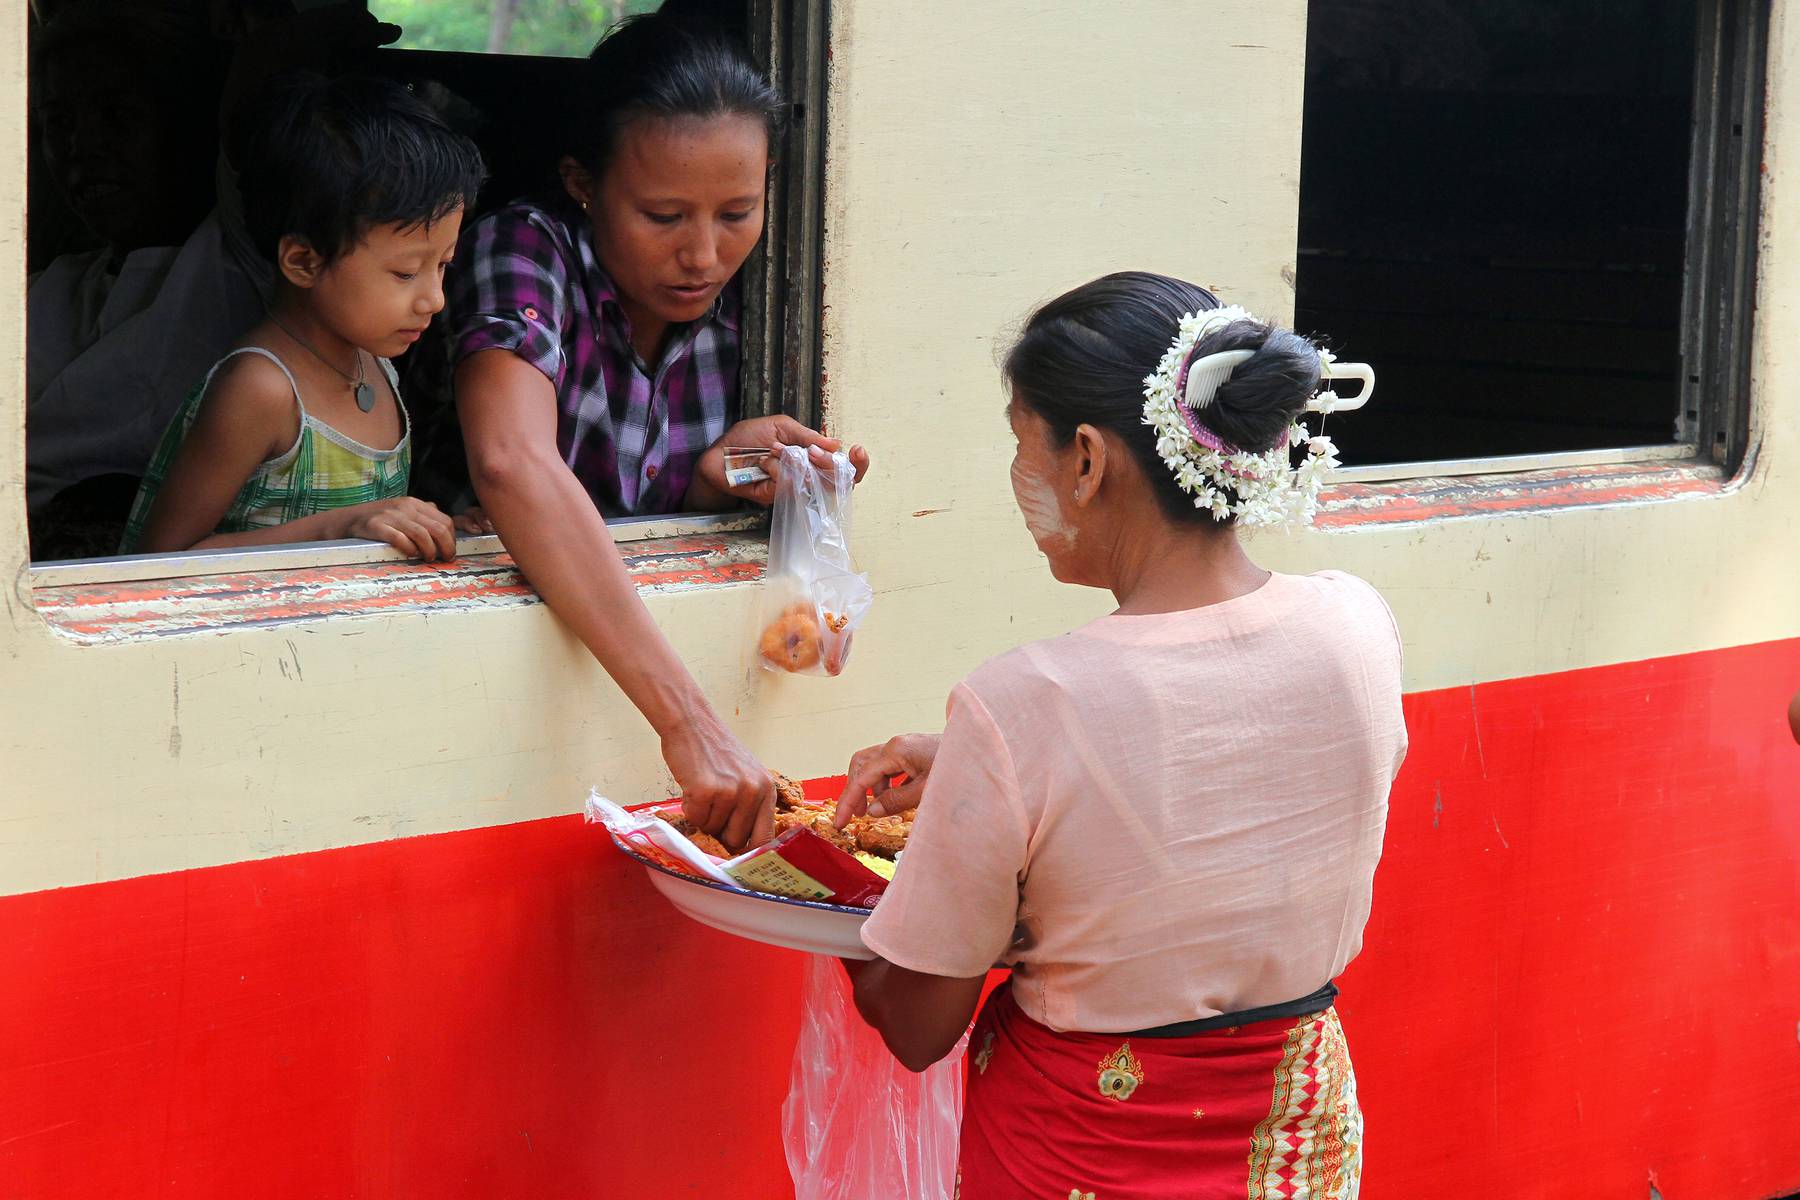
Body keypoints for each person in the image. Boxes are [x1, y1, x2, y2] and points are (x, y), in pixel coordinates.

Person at [834, 273, 1407, 1198]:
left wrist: (828, 896)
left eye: (1027, 450)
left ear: (1090, 461)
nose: (1025, 483)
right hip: (1298, 1147)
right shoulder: (1357, 628)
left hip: (1084, 1155)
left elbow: (916, 1024)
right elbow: (1209, 780)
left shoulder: (1022, 702)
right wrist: (984, 781)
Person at [443, 14, 867, 848]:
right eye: (664, 215)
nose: (704, 255)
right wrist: (690, 724)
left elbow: (625, 496)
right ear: (582, 182)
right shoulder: (526, 253)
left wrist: (712, 480)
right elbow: (513, 464)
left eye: (737, 212)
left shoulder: (757, 299)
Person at [120, 75, 486, 560]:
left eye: (442, 265)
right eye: (404, 272)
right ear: (304, 262)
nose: (434, 299)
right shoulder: (261, 389)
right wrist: (339, 528)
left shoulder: (373, 362)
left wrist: (434, 531)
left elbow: (369, 531)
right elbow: (162, 556)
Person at [25, 2, 263, 558]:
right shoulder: (47, 289)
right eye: (57, 122)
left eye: (119, 116)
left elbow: (272, 64)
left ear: (189, 124)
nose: (83, 147)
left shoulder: (236, 261)